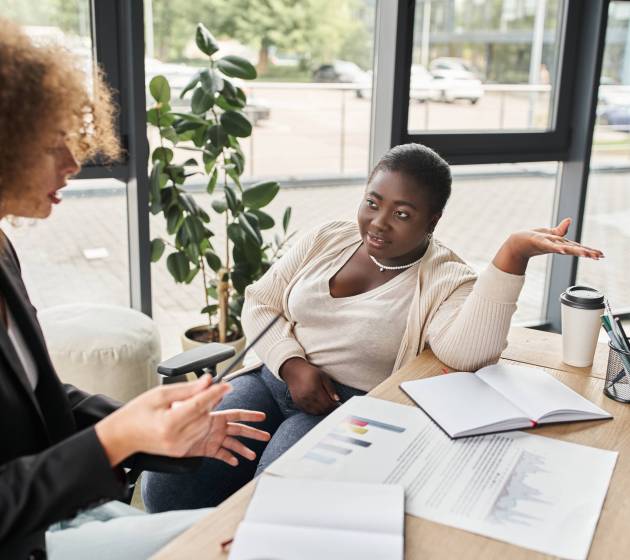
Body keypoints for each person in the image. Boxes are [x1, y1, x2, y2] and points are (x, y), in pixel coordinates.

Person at [143, 143, 603, 512]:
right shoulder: (328, 235)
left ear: (432, 220)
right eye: (373, 203)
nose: (378, 223)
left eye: (402, 214)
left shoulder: (445, 277)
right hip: (273, 381)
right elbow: (262, 303)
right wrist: (292, 364)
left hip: (342, 410)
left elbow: (469, 355)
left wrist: (511, 259)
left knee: (273, 500)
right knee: (169, 485)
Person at [0, 21, 270, 560]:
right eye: (51, 144)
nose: (74, 164)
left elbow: (44, 403)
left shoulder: (1, 248)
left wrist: (153, 428)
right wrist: (115, 439)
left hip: (60, 511)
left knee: (250, 531)